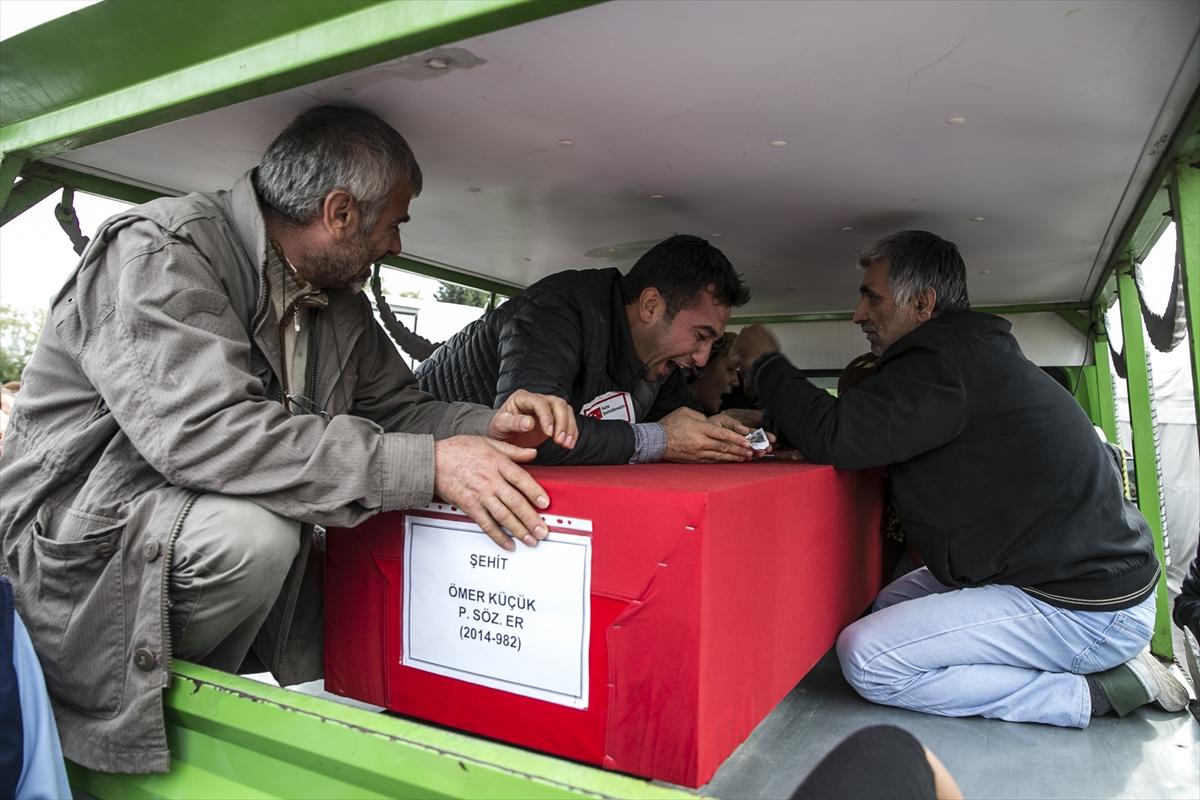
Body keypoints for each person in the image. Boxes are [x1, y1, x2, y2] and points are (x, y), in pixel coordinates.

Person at [0, 105, 578, 775]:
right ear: (338, 213)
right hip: (74, 562)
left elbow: (398, 410)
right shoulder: (161, 251)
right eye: (393, 224)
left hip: (166, 547)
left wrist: (490, 426)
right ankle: (129, 705)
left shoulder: (343, 307)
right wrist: (430, 466)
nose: (395, 245)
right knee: (257, 535)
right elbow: (207, 433)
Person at [733, 229, 1188, 728]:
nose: (858, 314)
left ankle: (1092, 691)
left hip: (1087, 605)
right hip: (1076, 580)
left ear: (923, 303)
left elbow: (839, 434)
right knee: (888, 602)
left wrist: (767, 364)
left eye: (871, 297)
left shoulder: (942, 361)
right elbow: (870, 434)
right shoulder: (966, 356)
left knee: (867, 657)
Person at [416, 234, 759, 465]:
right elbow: (531, 434)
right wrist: (661, 440)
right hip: (415, 460)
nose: (701, 357)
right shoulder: (553, 313)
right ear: (650, 306)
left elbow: (680, 428)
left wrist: (722, 432)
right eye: (700, 335)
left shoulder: (661, 365)